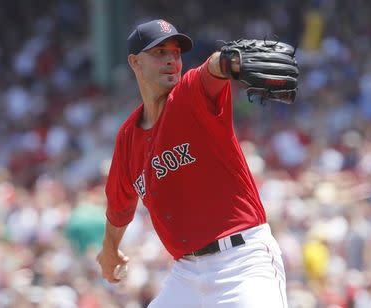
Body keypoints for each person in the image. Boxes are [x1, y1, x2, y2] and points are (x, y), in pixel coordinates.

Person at [96, 19, 289, 308]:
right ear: (135, 62)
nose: (172, 60)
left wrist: (228, 60)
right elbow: (119, 207)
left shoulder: (189, 95)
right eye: (160, 52)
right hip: (186, 274)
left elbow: (213, 68)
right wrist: (109, 250)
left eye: (176, 52)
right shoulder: (128, 138)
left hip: (243, 262)